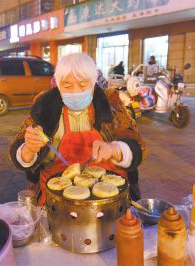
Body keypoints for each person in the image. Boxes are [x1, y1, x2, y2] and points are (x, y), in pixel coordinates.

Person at [10, 53, 146, 204]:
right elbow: (20, 149)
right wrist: (29, 149)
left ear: (94, 85)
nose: (75, 92)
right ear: (58, 85)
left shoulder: (111, 104)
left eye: (82, 85)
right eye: (67, 86)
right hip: (56, 197)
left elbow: (138, 146)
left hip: (109, 199)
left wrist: (115, 149)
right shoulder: (44, 107)